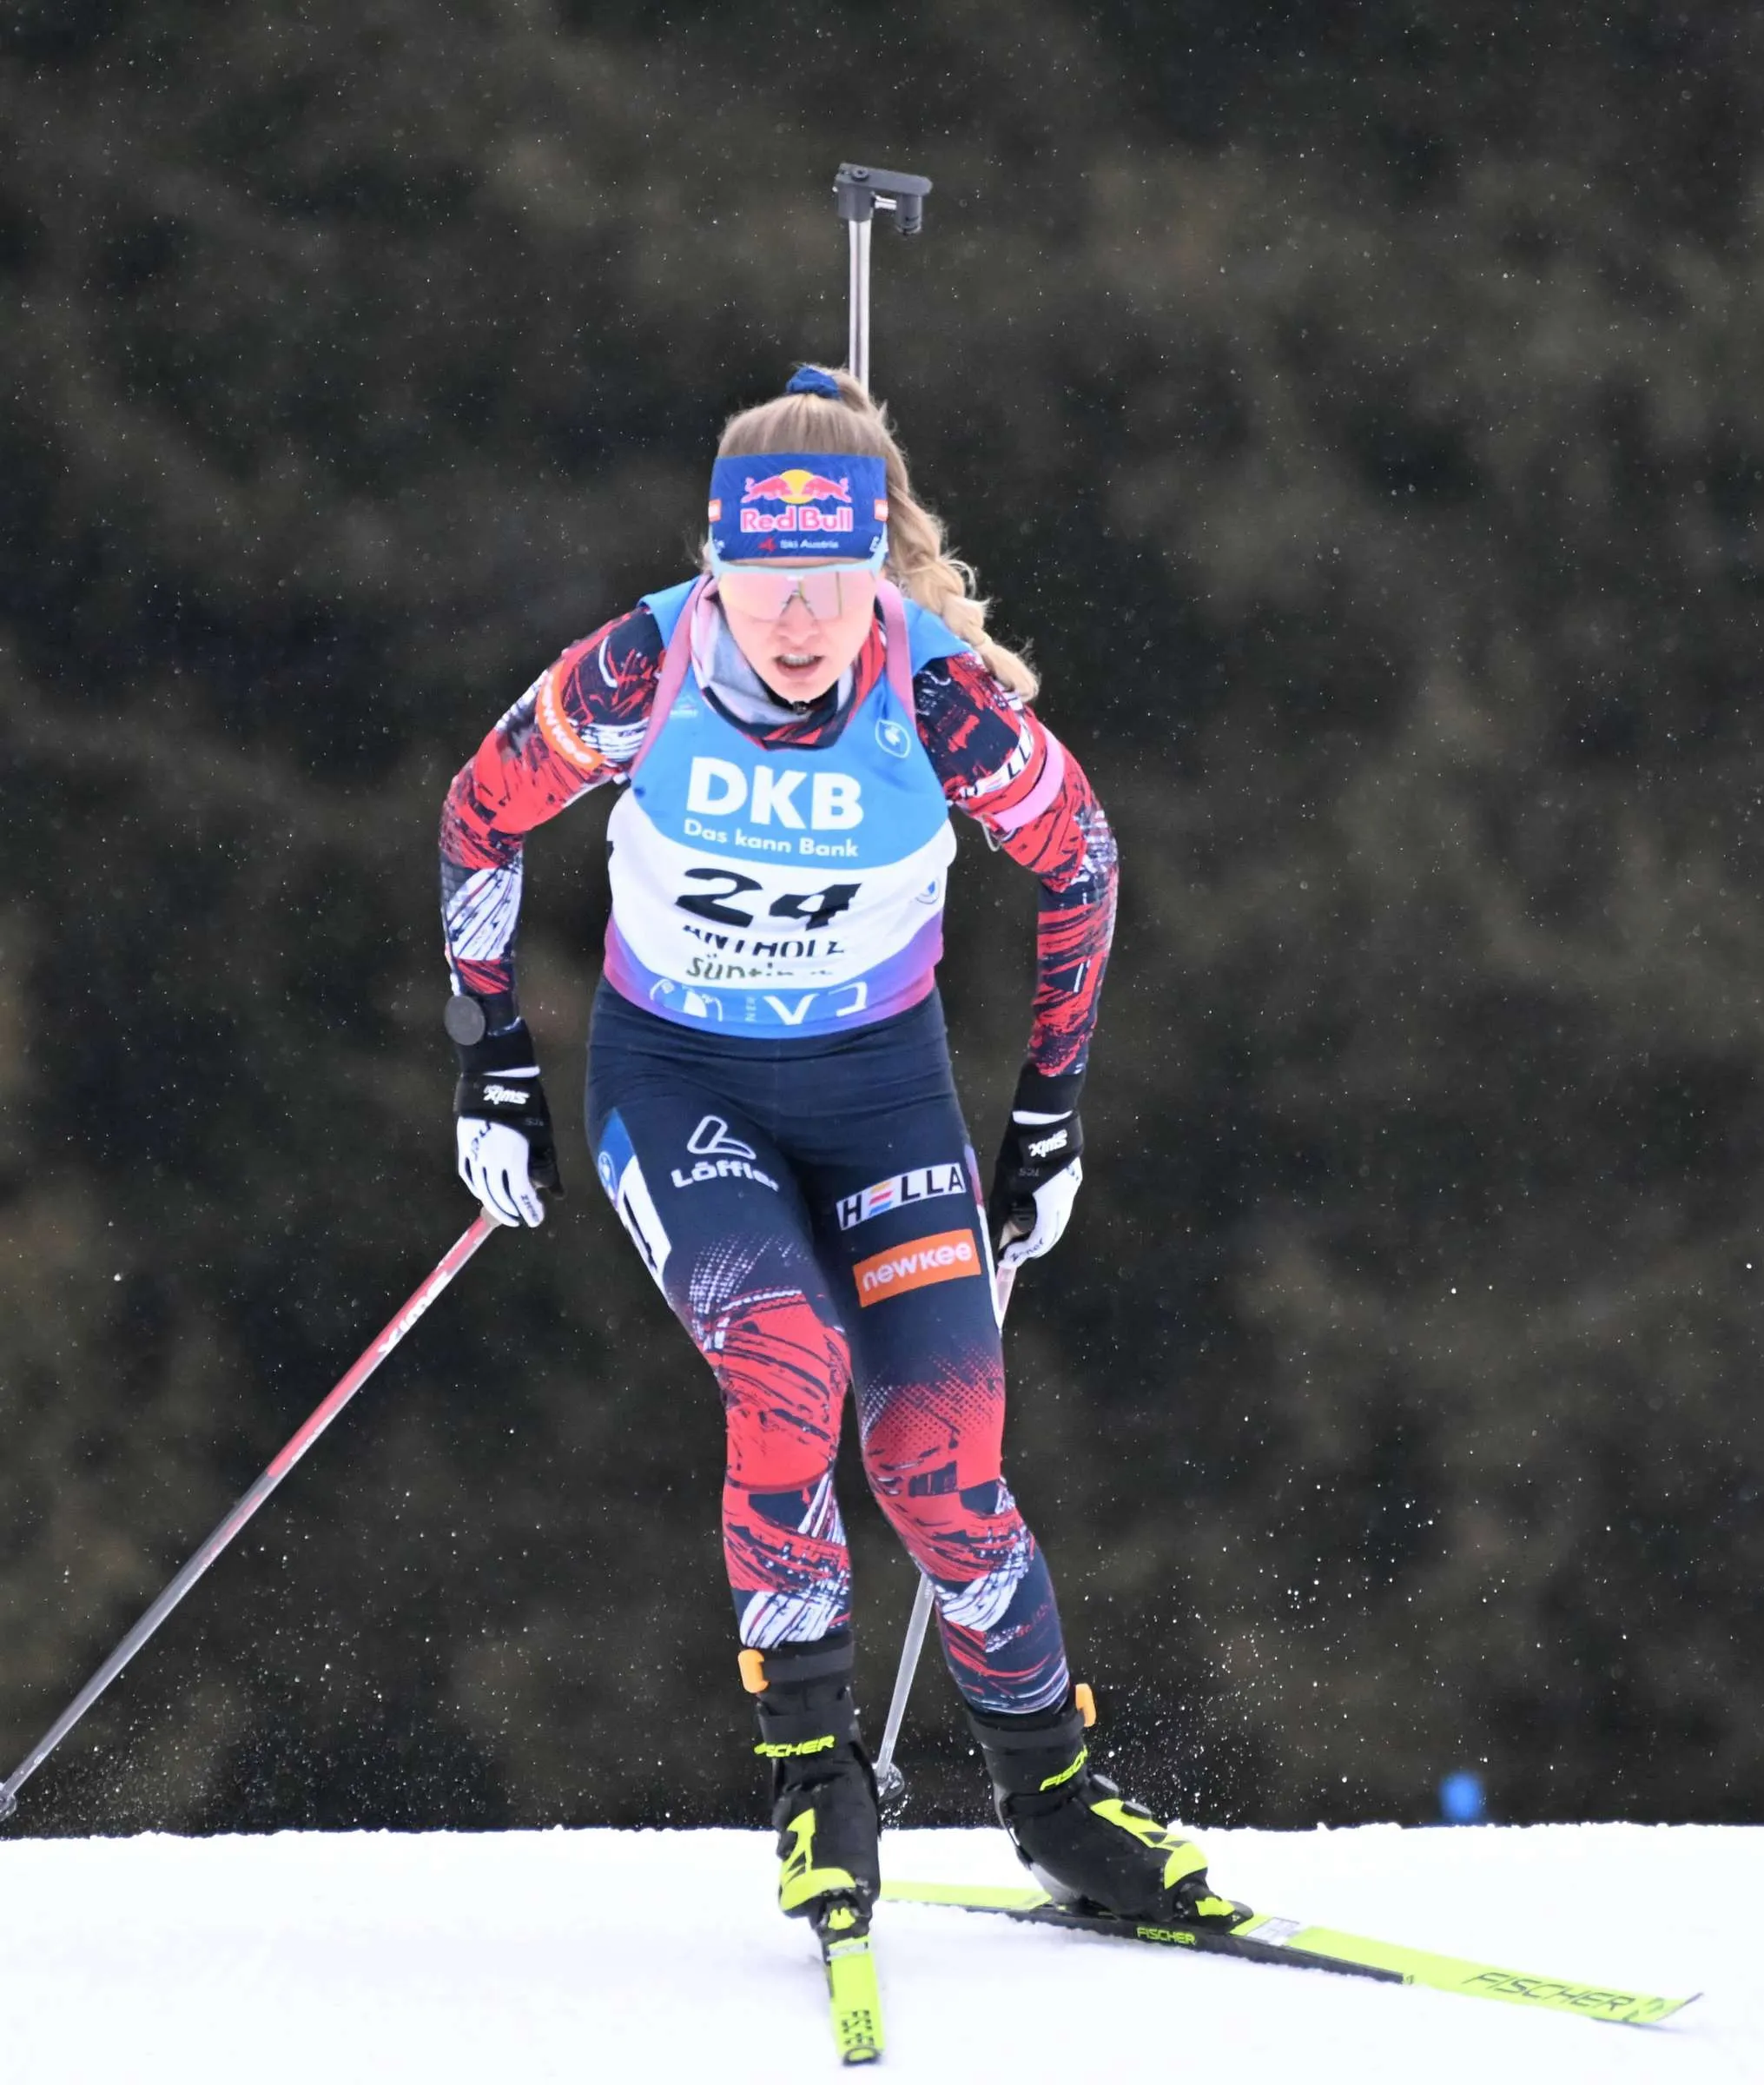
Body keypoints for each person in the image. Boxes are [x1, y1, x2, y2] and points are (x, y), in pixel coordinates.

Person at [435, 366, 1233, 1937]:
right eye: (761, 585)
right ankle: (815, 1781)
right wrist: (493, 1058)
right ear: (710, 566)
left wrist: (1051, 1114)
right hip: (681, 1086)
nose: (796, 627)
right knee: (789, 1365)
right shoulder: (640, 672)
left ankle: (1060, 1801)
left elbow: (1085, 863)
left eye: (832, 587)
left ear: (878, 572)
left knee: (941, 1448)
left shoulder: (936, 697)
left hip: (879, 1094)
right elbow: (480, 814)